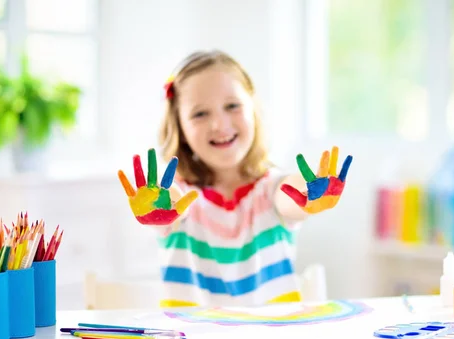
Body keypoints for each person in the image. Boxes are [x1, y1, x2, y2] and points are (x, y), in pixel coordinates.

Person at [117, 50, 353, 307]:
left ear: (253, 109)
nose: (220, 124)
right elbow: (174, 208)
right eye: (200, 114)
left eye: (232, 106)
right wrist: (162, 209)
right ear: (180, 127)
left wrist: (309, 193)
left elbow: (291, 195)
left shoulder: (270, 190)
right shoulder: (178, 197)